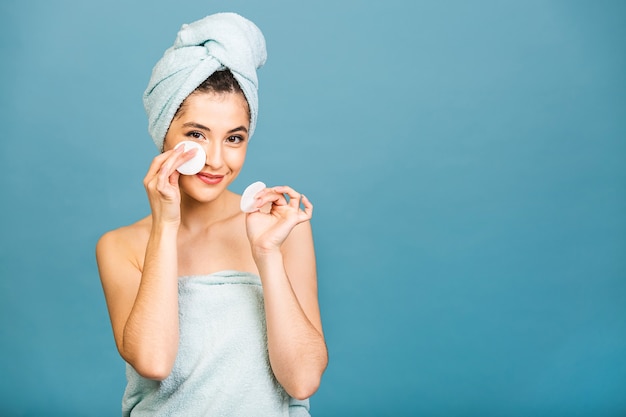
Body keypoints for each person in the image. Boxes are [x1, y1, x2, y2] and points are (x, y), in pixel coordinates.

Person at [96, 13, 328, 416]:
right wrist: (165, 226)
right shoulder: (120, 246)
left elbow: (303, 380)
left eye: (234, 138)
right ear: (163, 133)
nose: (217, 160)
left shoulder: (279, 229)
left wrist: (267, 254)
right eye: (196, 134)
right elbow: (153, 361)